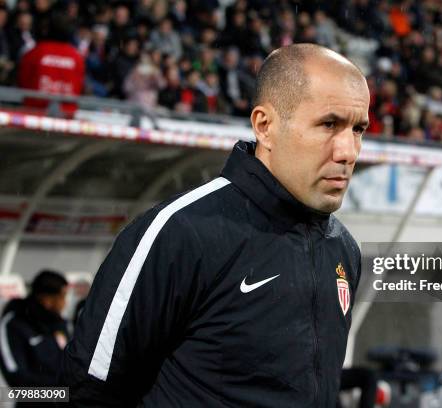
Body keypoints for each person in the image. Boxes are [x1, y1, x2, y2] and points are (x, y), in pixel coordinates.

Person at [60, 43, 370, 406]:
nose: (348, 151)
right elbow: (84, 390)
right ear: (265, 126)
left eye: (359, 129)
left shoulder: (343, 249)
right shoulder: (179, 233)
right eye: (329, 124)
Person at [0, 270, 69, 387]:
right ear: (46, 299)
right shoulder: (15, 323)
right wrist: (61, 392)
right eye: (62, 296)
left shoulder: (58, 323)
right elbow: (15, 376)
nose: (65, 302)